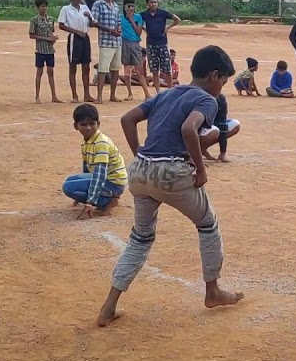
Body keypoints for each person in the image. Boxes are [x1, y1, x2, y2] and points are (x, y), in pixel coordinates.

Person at [98, 45, 245, 326]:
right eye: (223, 82)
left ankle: (108, 306)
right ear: (215, 76)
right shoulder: (206, 100)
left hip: (140, 171)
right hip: (172, 173)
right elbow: (189, 130)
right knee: (207, 225)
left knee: (139, 239)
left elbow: (127, 119)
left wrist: (140, 152)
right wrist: (201, 169)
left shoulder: (166, 94)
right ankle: (212, 290)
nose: (221, 88)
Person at [62, 104, 128, 218]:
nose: (88, 128)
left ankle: (106, 202)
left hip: (114, 183)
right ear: (75, 126)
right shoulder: (87, 141)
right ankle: (105, 197)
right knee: (70, 180)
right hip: (109, 180)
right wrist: (81, 195)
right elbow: (87, 168)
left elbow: (99, 175)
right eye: (83, 124)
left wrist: (90, 201)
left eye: (92, 124)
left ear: (98, 124)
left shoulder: (101, 143)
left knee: (68, 188)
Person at [59, 0, 94, 103]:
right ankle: (74, 95)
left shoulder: (85, 8)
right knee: (73, 66)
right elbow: (61, 25)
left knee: (86, 66)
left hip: (85, 37)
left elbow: (92, 23)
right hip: (75, 38)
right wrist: (75, 31)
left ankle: (87, 94)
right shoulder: (66, 9)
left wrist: (89, 17)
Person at [89, 0, 122, 103]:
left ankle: (112, 95)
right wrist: (109, 30)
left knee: (115, 69)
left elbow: (118, 21)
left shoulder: (116, 6)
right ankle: (99, 96)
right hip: (106, 41)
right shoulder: (98, 5)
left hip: (117, 42)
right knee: (103, 69)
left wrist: (118, 29)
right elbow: (93, 22)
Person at [141, 0, 181, 90]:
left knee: (167, 69)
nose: (154, 4)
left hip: (163, 43)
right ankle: (158, 92)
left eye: (155, 2)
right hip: (151, 44)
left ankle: (170, 91)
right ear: (147, 4)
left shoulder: (163, 13)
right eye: (151, 2)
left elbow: (177, 19)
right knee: (154, 70)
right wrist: (144, 29)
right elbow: (136, 21)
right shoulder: (143, 15)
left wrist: (168, 27)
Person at [29, 0, 60, 104]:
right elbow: (31, 35)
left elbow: (51, 32)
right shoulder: (34, 20)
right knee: (40, 72)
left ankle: (54, 96)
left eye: (45, 6)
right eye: (42, 6)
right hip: (40, 50)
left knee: (51, 72)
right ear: (38, 8)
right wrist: (47, 39)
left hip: (50, 50)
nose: (45, 8)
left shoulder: (51, 19)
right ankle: (37, 96)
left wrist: (52, 40)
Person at [120, 0, 149, 100]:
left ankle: (147, 93)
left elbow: (138, 32)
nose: (130, 8)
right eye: (128, 6)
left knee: (139, 70)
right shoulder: (120, 17)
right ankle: (130, 93)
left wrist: (132, 20)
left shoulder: (138, 17)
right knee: (127, 70)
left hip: (135, 44)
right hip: (125, 43)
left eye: (132, 6)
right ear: (124, 7)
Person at [200, 93, 241, 163]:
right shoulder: (198, 96)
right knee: (214, 131)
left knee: (235, 125)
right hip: (196, 126)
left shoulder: (220, 98)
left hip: (212, 124)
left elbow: (222, 123)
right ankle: (191, 151)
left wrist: (223, 152)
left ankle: (202, 148)